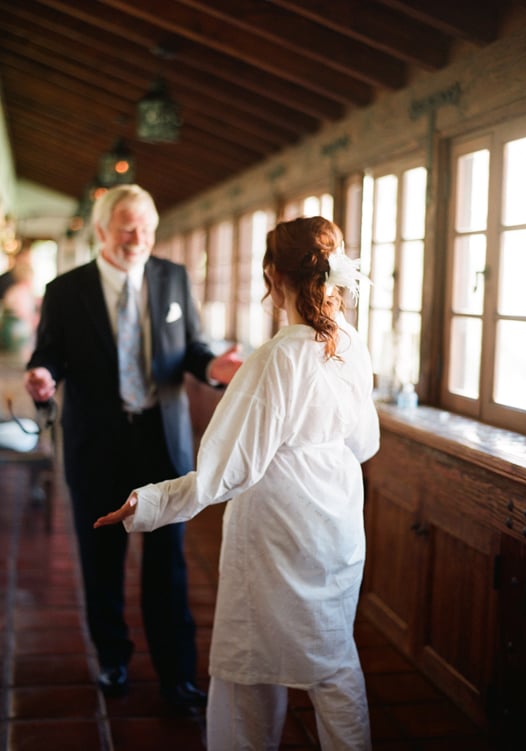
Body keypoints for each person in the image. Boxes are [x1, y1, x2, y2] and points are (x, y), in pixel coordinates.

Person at [94, 215, 380, 750]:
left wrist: (148, 502)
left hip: (276, 528)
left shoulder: (274, 359)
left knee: (249, 663)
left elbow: (225, 472)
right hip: (337, 520)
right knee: (334, 663)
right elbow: (365, 445)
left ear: (273, 276)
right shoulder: (350, 344)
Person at [24, 184, 242, 712]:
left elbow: (191, 347)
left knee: (168, 562)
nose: (138, 238)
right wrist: (43, 375)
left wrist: (214, 368)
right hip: (95, 442)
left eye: (146, 227)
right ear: (102, 231)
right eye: (126, 228)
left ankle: (177, 674)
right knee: (102, 557)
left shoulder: (172, 277)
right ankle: (112, 656)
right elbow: (50, 352)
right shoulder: (65, 290)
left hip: (161, 441)